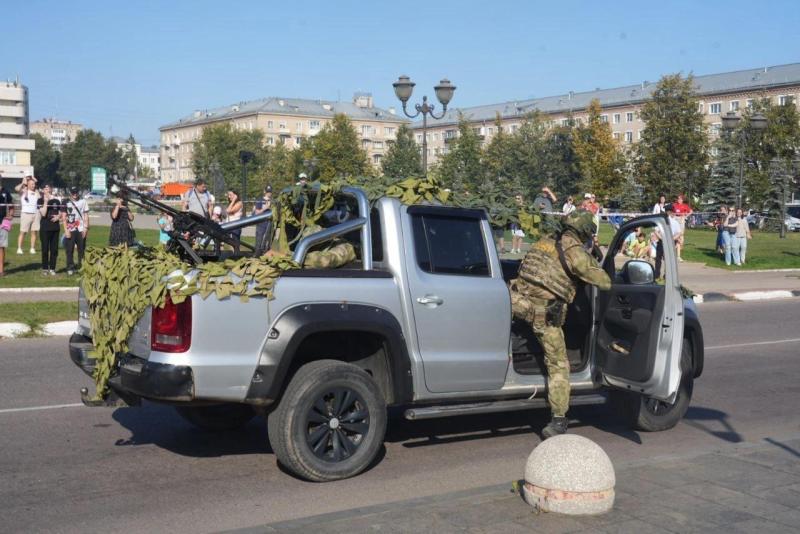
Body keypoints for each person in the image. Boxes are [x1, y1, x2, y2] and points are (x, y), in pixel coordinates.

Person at [509, 209, 611, 439]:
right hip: (541, 314)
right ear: (585, 231)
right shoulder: (575, 252)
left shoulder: (545, 241)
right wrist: (593, 255)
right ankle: (558, 420)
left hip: (516, 303)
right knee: (557, 364)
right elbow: (604, 282)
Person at [63, 186, 89, 275]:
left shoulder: (83, 202)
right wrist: (66, 230)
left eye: (76, 192)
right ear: (70, 193)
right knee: (69, 249)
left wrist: (86, 228)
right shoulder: (66, 202)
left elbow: (86, 215)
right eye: (73, 192)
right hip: (70, 228)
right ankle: (70, 267)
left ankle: (81, 266)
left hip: (81, 228)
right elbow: (64, 217)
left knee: (81, 249)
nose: (75, 194)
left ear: (79, 192)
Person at [37, 183, 62, 275]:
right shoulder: (40, 200)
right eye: (45, 189)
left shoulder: (56, 200)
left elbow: (61, 212)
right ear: (43, 190)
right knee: (45, 249)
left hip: (55, 228)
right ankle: (45, 268)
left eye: (48, 188)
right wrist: (46, 202)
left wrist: (58, 217)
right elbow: (43, 213)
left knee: (54, 249)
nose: (47, 190)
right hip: (45, 228)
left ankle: (52, 268)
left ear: (51, 189)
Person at [653, 203, 683, 279]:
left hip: (662, 241)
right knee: (668, 260)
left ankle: (657, 274)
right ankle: (667, 275)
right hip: (670, 242)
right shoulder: (674, 222)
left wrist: (662, 238)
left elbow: (656, 231)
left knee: (658, 259)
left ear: (667, 212)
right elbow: (679, 233)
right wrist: (672, 239)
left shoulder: (661, 221)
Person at [15, 175, 40, 254]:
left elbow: (39, 197)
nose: (33, 185)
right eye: (31, 184)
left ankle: (32, 248)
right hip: (26, 213)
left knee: (34, 232)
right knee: (23, 232)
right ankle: (19, 248)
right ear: (28, 184)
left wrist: (34, 180)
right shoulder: (23, 191)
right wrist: (23, 183)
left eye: (34, 184)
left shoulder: (36, 192)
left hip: (35, 214)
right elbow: (16, 189)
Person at [253, 185, 273, 256]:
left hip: (269, 224)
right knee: (259, 241)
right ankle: (257, 255)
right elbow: (256, 212)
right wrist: (265, 208)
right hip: (261, 224)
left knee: (268, 241)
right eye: (267, 192)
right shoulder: (260, 200)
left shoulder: (272, 201)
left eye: (270, 192)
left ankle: (266, 254)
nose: (269, 193)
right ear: (264, 191)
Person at [672, 194, 692, 262]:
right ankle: (675, 250)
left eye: (680, 199)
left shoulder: (685, 205)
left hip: (681, 219)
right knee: (675, 235)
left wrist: (686, 216)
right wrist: (673, 216)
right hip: (675, 218)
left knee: (681, 234)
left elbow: (691, 211)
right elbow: (671, 212)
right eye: (678, 199)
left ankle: (679, 248)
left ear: (682, 200)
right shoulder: (674, 205)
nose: (679, 200)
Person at [0, 180, 13, 277]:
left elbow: (11, 204)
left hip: (3, 222)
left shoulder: (6, 192)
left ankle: (1, 270)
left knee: (1, 247)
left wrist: (10, 214)